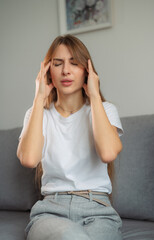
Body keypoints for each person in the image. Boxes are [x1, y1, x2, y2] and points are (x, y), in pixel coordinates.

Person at [17, 34, 124, 240]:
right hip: (50, 211)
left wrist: (94, 95)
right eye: (58, 64)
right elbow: (29, 159)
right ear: (48, 71)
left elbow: (108, 153)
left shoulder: (105, 110)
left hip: (99, 211)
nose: (66, 70)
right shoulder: (36, 113)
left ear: (87, 70)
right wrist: (39, 98)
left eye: (74, 63)